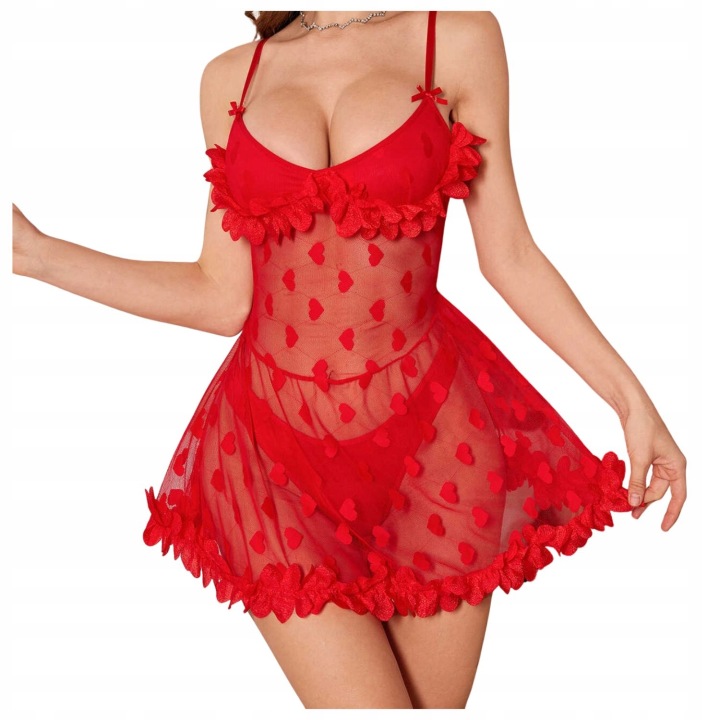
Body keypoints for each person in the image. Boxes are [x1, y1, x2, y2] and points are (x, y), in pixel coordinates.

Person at [11, 9, 687, 711]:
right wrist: (35, 254)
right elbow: (221, 296)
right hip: (274, 461)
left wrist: (632, 402)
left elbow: (509, 256)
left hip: (434, 452)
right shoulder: (229, 79)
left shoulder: (456, 40)